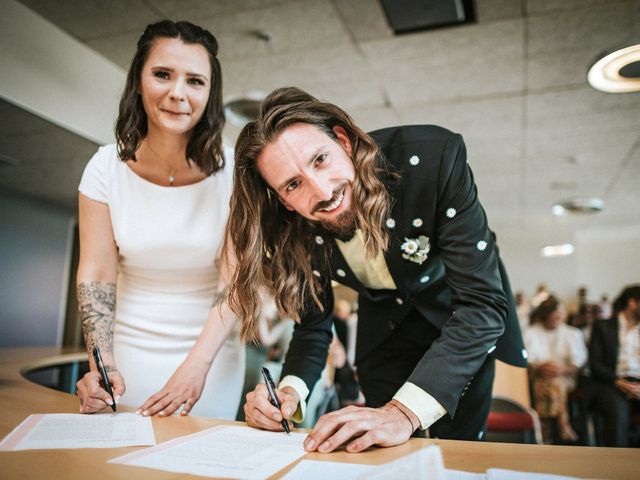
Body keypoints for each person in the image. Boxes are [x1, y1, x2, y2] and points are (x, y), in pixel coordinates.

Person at [224, 87, 527, 453]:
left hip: (458, 322)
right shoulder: (293, 228)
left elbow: (480, 305)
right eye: (293, 184)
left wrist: (402, 413)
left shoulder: (432, 160)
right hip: (382, 330)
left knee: (460, 453)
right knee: (384, 455)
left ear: (342, 140)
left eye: (320, 160)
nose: (321, 192)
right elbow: (313, 330)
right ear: (281, 199)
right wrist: (288, 393)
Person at [75, 20, 244, 419]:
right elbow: (97, 274)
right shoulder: (104, 167)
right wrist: (102, 361)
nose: (177, 93)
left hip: (210, 357)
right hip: (126, 353)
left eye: (195, 81)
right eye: (163, 74)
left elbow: (237, 279)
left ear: (210, 94)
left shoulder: (237, 171)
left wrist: (195, 367)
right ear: (138, 80)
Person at [524, 295, 587, 443]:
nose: (560, 315)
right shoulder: (531, 332)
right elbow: (528, 358)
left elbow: (578, 361)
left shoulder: (573, 333)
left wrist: (562, 369)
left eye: (562, 312)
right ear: (546, 315)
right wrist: (541, 367)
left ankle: (544, 432)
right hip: (539, 375)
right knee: (550, 383)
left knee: (554, 382)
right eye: (556, 313)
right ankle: (563, 424)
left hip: (566, 377)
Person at [587, 285, 640, 447]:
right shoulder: (603, 326)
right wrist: (619, 382)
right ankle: (618, 464)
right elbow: (595, 363)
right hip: (612, 382)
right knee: (617, 413)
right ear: (632, 303)